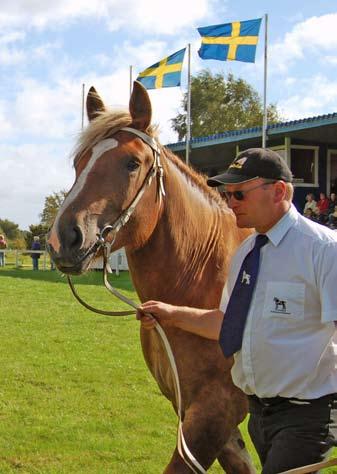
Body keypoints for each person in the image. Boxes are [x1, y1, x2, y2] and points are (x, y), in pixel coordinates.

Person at [137, 148, 337, 474]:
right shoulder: (245, 253)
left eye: (239, 194)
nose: (230, 203)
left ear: (279, 192)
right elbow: (229, 325)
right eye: (227, 194)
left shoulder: (324, 250)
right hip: (260, 413)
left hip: (307, 415)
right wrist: (170, 313)